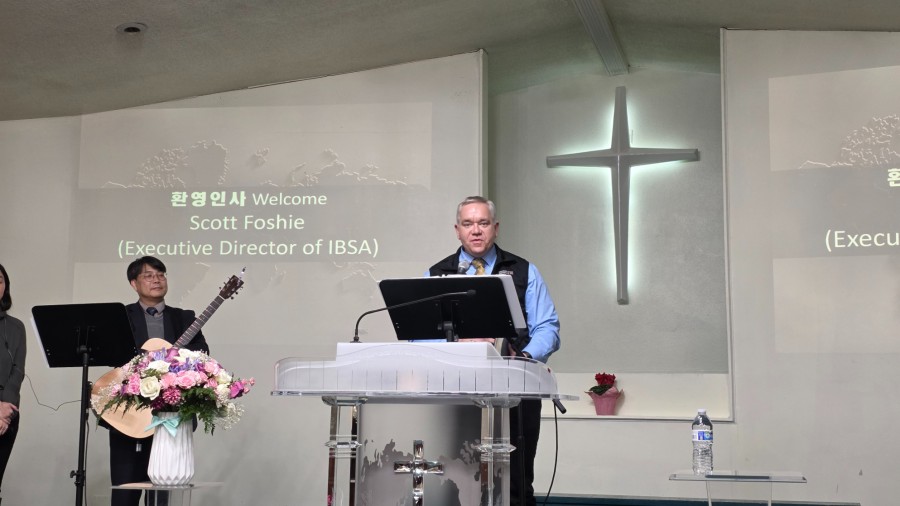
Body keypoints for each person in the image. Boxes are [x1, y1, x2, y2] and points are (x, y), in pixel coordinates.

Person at [427, 196, 560, 506]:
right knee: (454, 481)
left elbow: (548, 328)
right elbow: (419, 337)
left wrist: (524, 357)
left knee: (515, 485)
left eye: (483, 223)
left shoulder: (523, 271)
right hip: (456, 394)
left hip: (514, 393)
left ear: (495, 228)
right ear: (457, 230)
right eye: (468, 224)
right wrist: (455, 347)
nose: (476, 230)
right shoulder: (436, 274)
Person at [103, 256, 210, 506]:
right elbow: (113, 355)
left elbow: (202, 353)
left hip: (171, 415)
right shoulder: (122, 316)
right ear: (134, 283)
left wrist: (175, 361)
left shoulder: (184, 318)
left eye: (161, 275)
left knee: (163, 493)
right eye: (149, 275)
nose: (157, 280)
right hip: (129, 413)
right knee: (124, 493)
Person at [0, 263, 25, 504]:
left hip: (5, 412)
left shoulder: (16, 326)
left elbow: (17, 371)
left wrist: (4, 409)